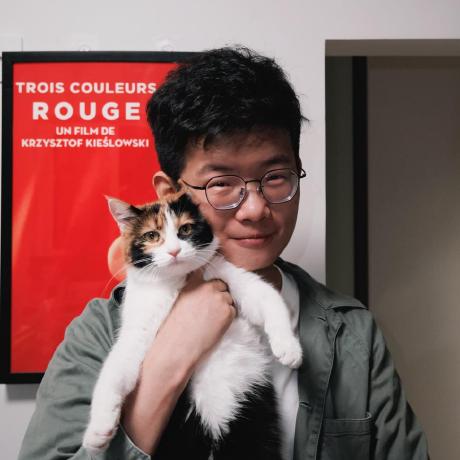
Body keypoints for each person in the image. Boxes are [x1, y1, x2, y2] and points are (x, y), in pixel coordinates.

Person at [18, 47, 429, 460]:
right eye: (221, 184)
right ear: (170, 195)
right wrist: (168, 363)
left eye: (276, 177)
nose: (255, 209)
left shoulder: (353, 334)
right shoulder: (98, 332)